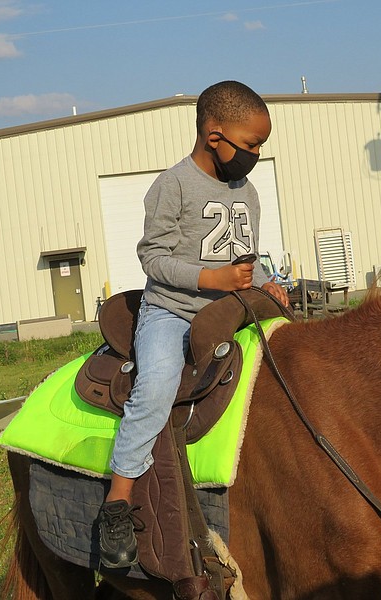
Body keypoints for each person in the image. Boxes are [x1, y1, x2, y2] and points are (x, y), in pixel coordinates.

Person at [98, 80, 289, 569]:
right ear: (213, 134)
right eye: (250, 145)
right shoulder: (173, 185)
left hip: (231, 309)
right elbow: (152, 258)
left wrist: (266, 282)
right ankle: (118, 501)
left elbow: (246, 256)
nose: (256, 154)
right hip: (173, 311)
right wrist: (212, 278)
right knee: (157, 384)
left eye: (261, 145)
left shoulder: (246, 190)